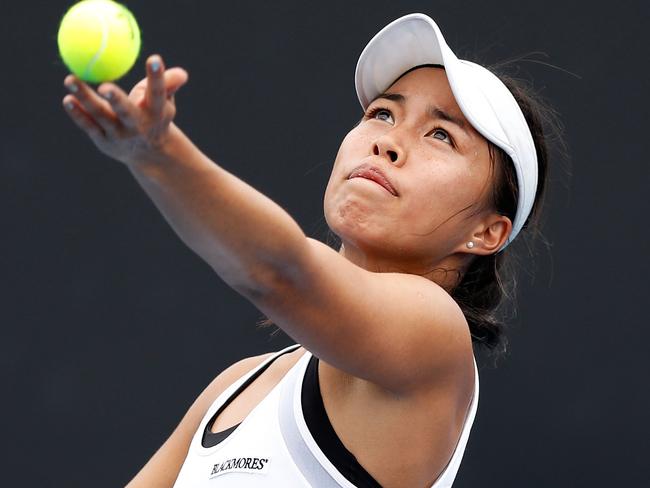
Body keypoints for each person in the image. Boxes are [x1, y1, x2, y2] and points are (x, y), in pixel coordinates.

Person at [61, 12, 556, 488]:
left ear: (488, 232)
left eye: (441, 135)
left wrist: (159, 152)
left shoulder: (436, 339)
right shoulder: (235, 388)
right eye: (383, 112)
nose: (388, 142)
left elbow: (278, 272)